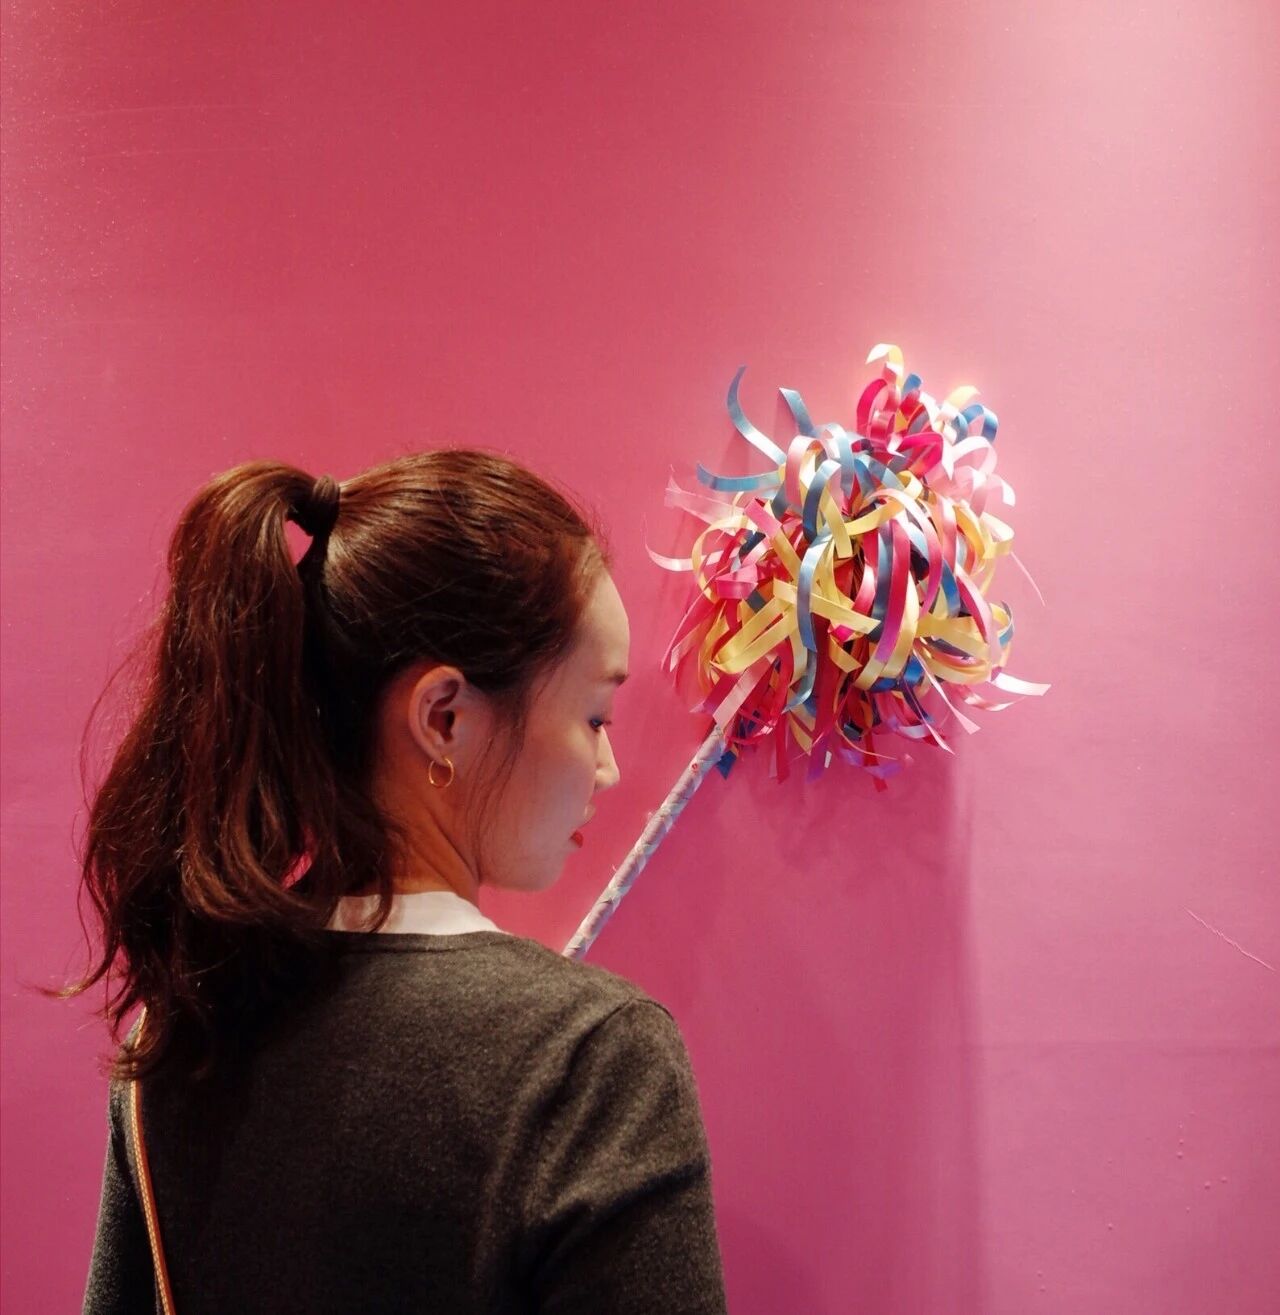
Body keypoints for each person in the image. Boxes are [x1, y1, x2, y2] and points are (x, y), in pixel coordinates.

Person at [63, 450, 729, 1313]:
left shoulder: (179, 1034)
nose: (607, 767)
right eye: (594, 716)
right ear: (443, 716)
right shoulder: (592, 1061)